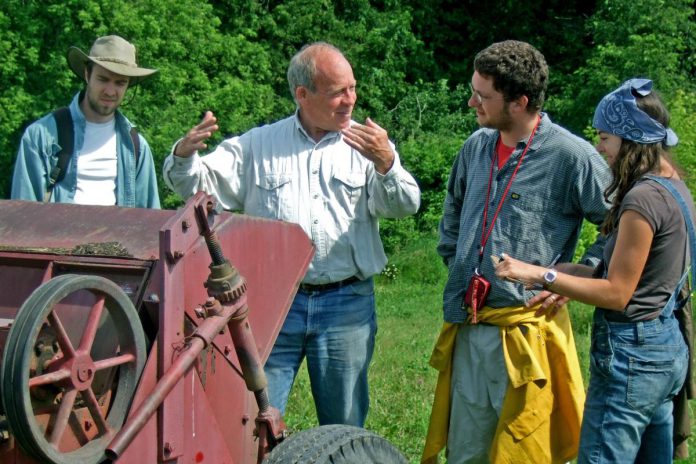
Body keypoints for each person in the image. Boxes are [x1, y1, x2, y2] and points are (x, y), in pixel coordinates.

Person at [162, 42, 420, 426]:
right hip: (274, 301)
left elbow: (405, 204)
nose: (350, 100)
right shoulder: (257, 145)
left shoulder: (367, 147)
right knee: (255, 419)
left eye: (352, 88)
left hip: (345, 303)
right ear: (303, 94)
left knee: (345, 424)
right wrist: (183, 155)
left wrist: (386, 162)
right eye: (337, 92)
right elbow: (197, 186)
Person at [422, 40, 612, 464]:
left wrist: (583, 273)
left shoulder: (572, 156)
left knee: (523, 452)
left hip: (527, 332)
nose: (472, 101)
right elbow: (453, 210)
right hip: (470, 326)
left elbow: (620, 224)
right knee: (467, 452)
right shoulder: (476, 146)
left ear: (520, 101)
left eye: (482, 95)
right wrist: (457, 261)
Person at [495, 78, 691, 463]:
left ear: (630, 136)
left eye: (605, 137)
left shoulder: (642, 199)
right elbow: (634, 273)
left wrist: (538, 276)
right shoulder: (674, 187)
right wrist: (562, 271)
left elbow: (618, 292)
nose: (600, 148)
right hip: (664, 347)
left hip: (632, 357)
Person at [12, 35, 160, 208]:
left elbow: (148, 222)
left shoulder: (136, 148)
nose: (110, 91)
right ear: (87, 74)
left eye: (120, 83)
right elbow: (23, 215)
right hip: (56, 234)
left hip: (116, 235)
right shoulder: (41, 136)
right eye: (103, 79)